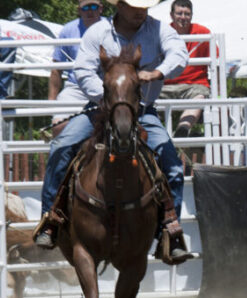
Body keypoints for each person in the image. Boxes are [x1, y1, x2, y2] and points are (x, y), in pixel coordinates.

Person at [34, 0, 190, 263]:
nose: (142, 11)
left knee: (172, 165)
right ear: (119, 6)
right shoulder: (98, 32)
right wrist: (110, 98)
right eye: (135, 6)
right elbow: (83, 70)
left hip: (142, 111)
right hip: (100, 108)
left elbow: (179, 54)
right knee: (61, 147)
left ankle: (169, 230)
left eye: (145, 6)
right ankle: (51, 219)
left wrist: (158, 72)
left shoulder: (160, 30)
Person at [48, 0, 108, 136]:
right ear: (79, 10)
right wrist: (51, 102)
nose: (90, 11)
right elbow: (56, 68)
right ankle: (66, 156)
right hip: (76, 87)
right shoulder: (68, 30)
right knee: (58, 127)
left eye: (94, 6)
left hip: (107, 86)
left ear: (101, 9)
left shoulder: (112, 27)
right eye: (86, 7)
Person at [162, 0, 211, 138]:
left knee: (200, 95)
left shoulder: (203, 33)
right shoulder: (162, 33)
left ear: (192, 15)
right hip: (166, 86)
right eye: (179, 13)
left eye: (187, 14)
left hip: (194, 86)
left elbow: (216, 63)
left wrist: (218, 90)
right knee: (144, 98)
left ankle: (183, 130)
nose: (183, 17)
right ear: (171, 15)